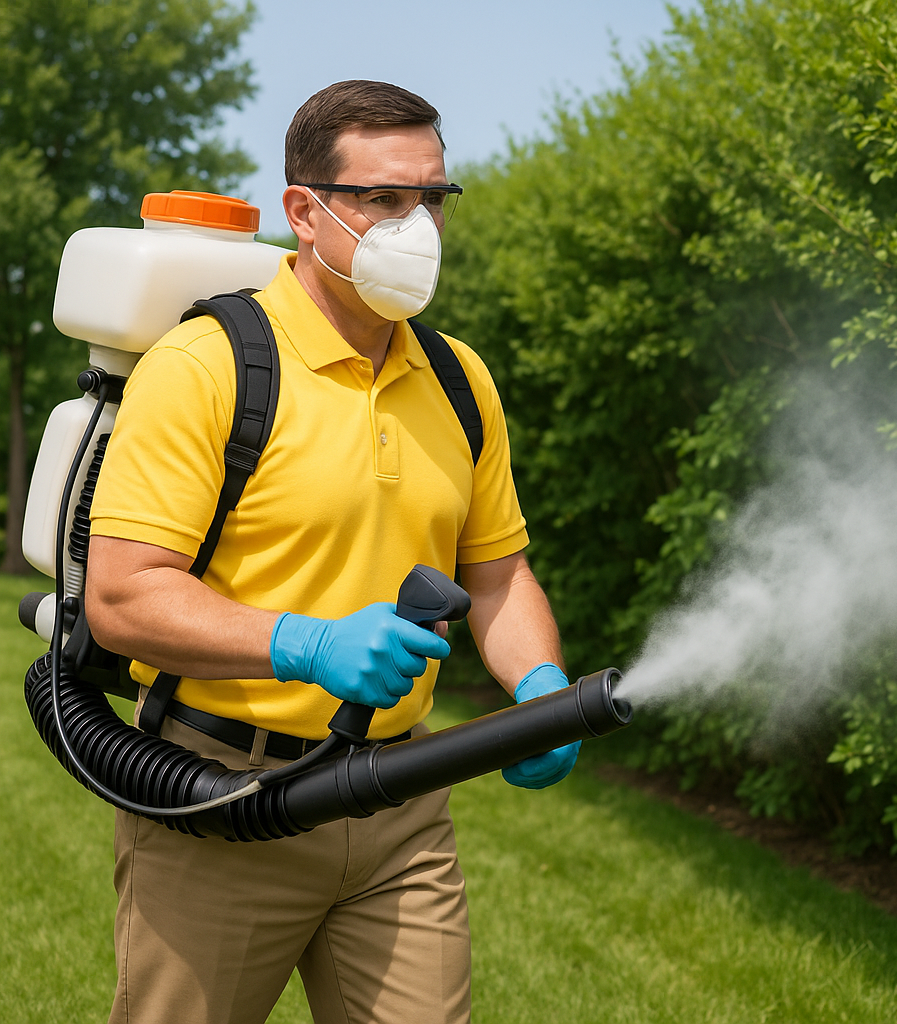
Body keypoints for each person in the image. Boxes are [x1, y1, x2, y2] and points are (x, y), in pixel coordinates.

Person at [85, 79, 577, 1024]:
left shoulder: (459, 378)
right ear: (303, 212)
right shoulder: (208, 367)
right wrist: (306, 645)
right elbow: (123, 597)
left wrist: (540, 686)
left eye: (432, 198)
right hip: (221, 800)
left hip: (399, 807)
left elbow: (498, 573)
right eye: (383, 199)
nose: (417, 225)